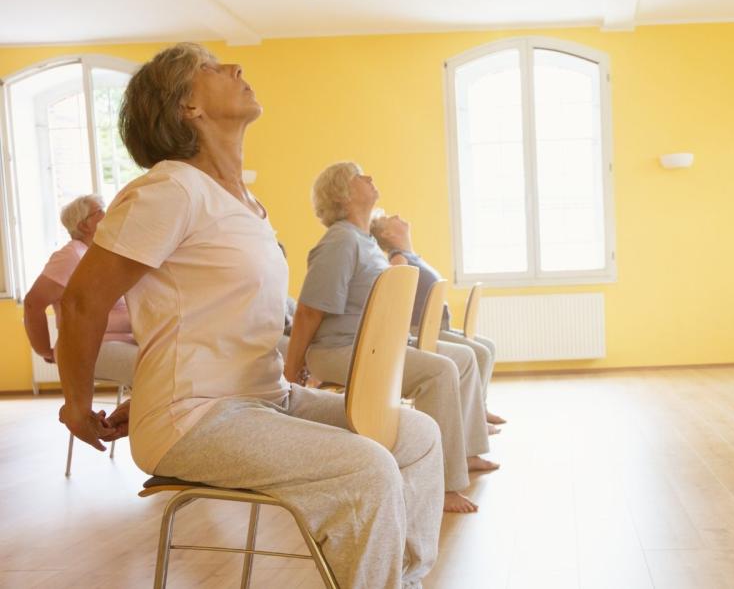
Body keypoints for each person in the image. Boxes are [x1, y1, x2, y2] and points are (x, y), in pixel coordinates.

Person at [54, 43, 443, 588]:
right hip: (195, 417)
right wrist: (76, 404)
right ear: (187, 106)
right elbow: (81, 301)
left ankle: (400, 581)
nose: (235, 69)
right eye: (210, 69)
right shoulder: (168, 189)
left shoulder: (244, 204)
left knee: (418, 435)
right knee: (366, 465)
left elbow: (211, 319)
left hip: (262, 399)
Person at [286, 162, 498, 514]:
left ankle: (467, 451)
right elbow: (309, 311)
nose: (370, 177)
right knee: (439, 371)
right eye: (359, 175)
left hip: (369, 345)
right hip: (339, 348)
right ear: (342, 193)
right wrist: (292, 372)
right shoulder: (339, 240)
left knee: (461, 359)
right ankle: (441, 486)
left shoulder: (364, 241)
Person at [369, 212, 505, 428]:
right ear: (388, 233)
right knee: (479, 353)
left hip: (437, 327)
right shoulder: (398, 258)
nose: (397, 215)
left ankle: (479, 412)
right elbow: (395, 296)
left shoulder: (411, 255)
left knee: (486, 347)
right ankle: (473, 421)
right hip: (420, 329)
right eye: (390, 218)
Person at [23, 195, 136, 388]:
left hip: (120, 340)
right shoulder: (71, 255)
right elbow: (33, 303)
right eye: (101, 210)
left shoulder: (96, 254)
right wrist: (45, 351)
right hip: (90, 346)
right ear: (84, 226)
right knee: (159, 368)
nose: (108, 213)